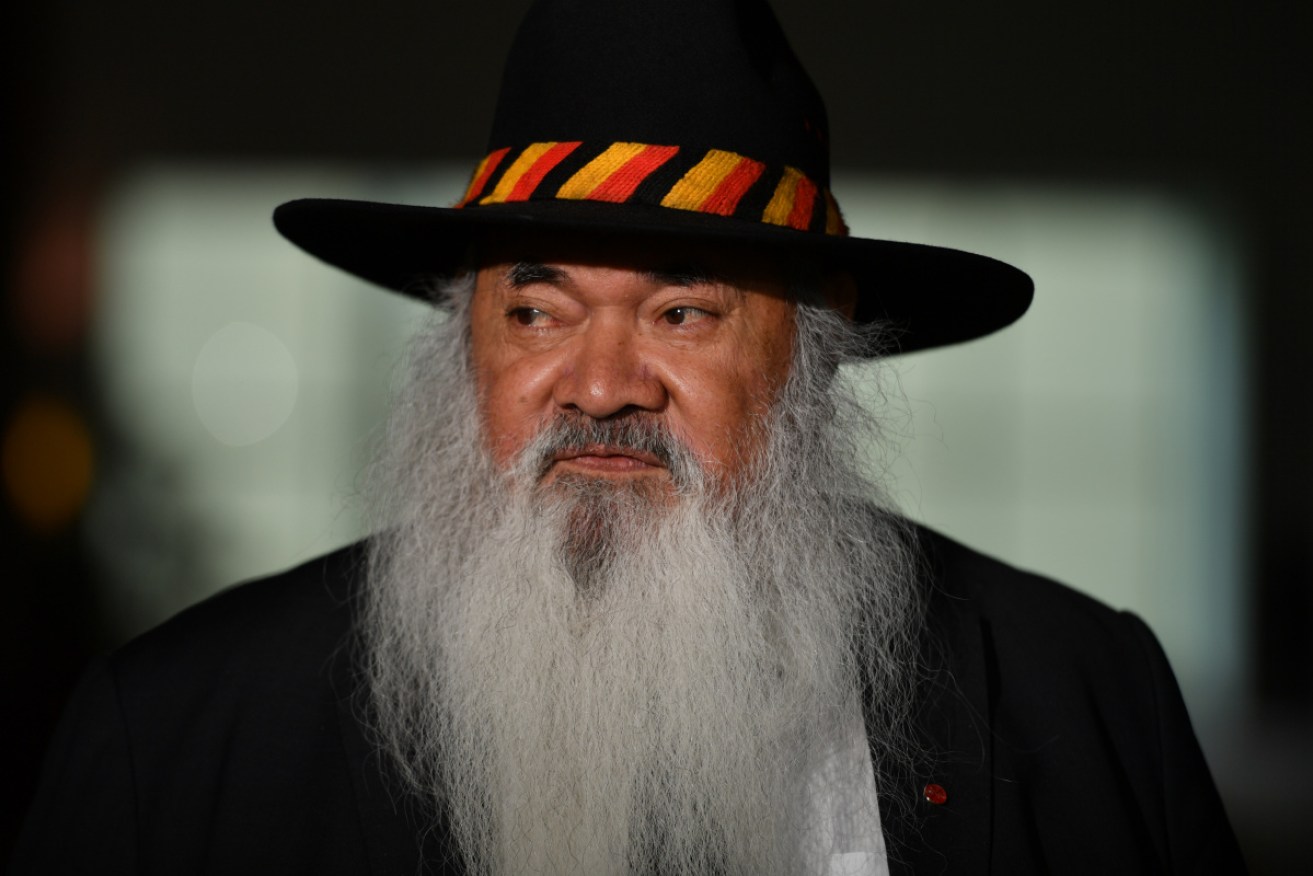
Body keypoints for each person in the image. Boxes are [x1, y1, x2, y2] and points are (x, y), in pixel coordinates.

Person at [14, 0, 1245, 873]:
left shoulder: (1083, 694)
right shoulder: (175, 734)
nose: (599, 385)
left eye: (682, 310)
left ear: (812, 353)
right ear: (465, 343)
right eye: (536, 308)